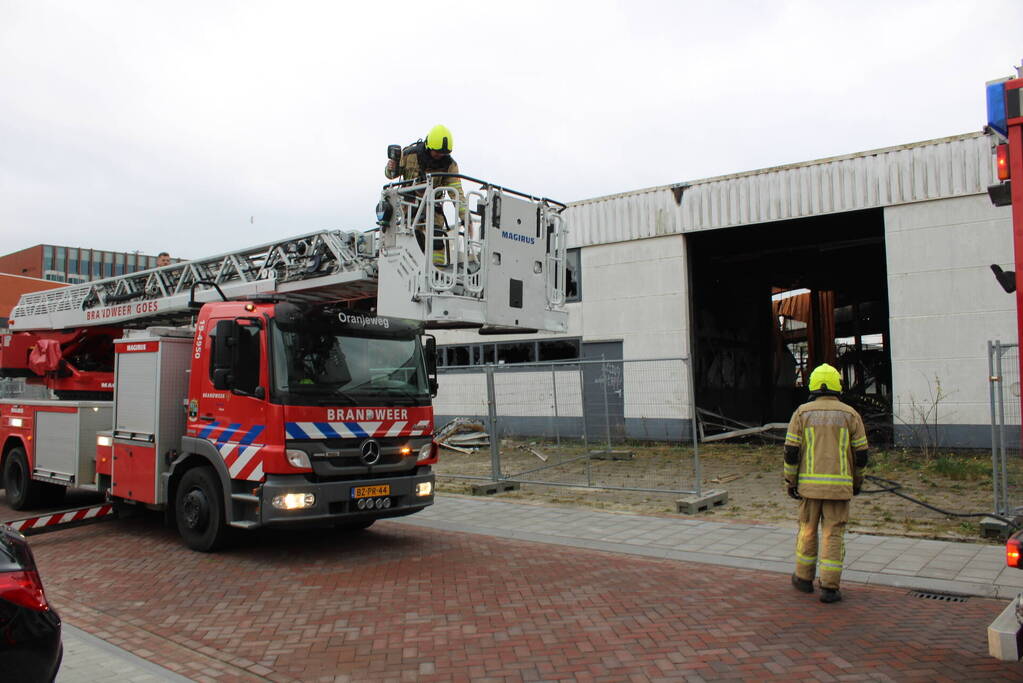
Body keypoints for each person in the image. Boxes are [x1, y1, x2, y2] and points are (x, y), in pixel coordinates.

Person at [784, 363, 869, 603]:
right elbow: (861, 454)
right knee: (833, 534)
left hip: (808, 488)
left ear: (812, 385)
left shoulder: (802, 413)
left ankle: (803, 579)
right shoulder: (850, 414)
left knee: (807, 531)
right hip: (839, 489)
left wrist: (791, 481)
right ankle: (830, 588)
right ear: (836, 386)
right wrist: (858, 481)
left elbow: (791, 452)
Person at [384, 124, 466, 266]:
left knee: (437, 244)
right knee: (409, 242)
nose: (440, 156)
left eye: (443, 154)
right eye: (437, 152)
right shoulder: (409, 155)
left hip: (433, 211)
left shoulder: (449, 165)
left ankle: (437, 273)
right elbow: (391, 175)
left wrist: (465, 217)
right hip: (409, 211)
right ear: (428, 146)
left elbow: (457, 192)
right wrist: (391, 167)